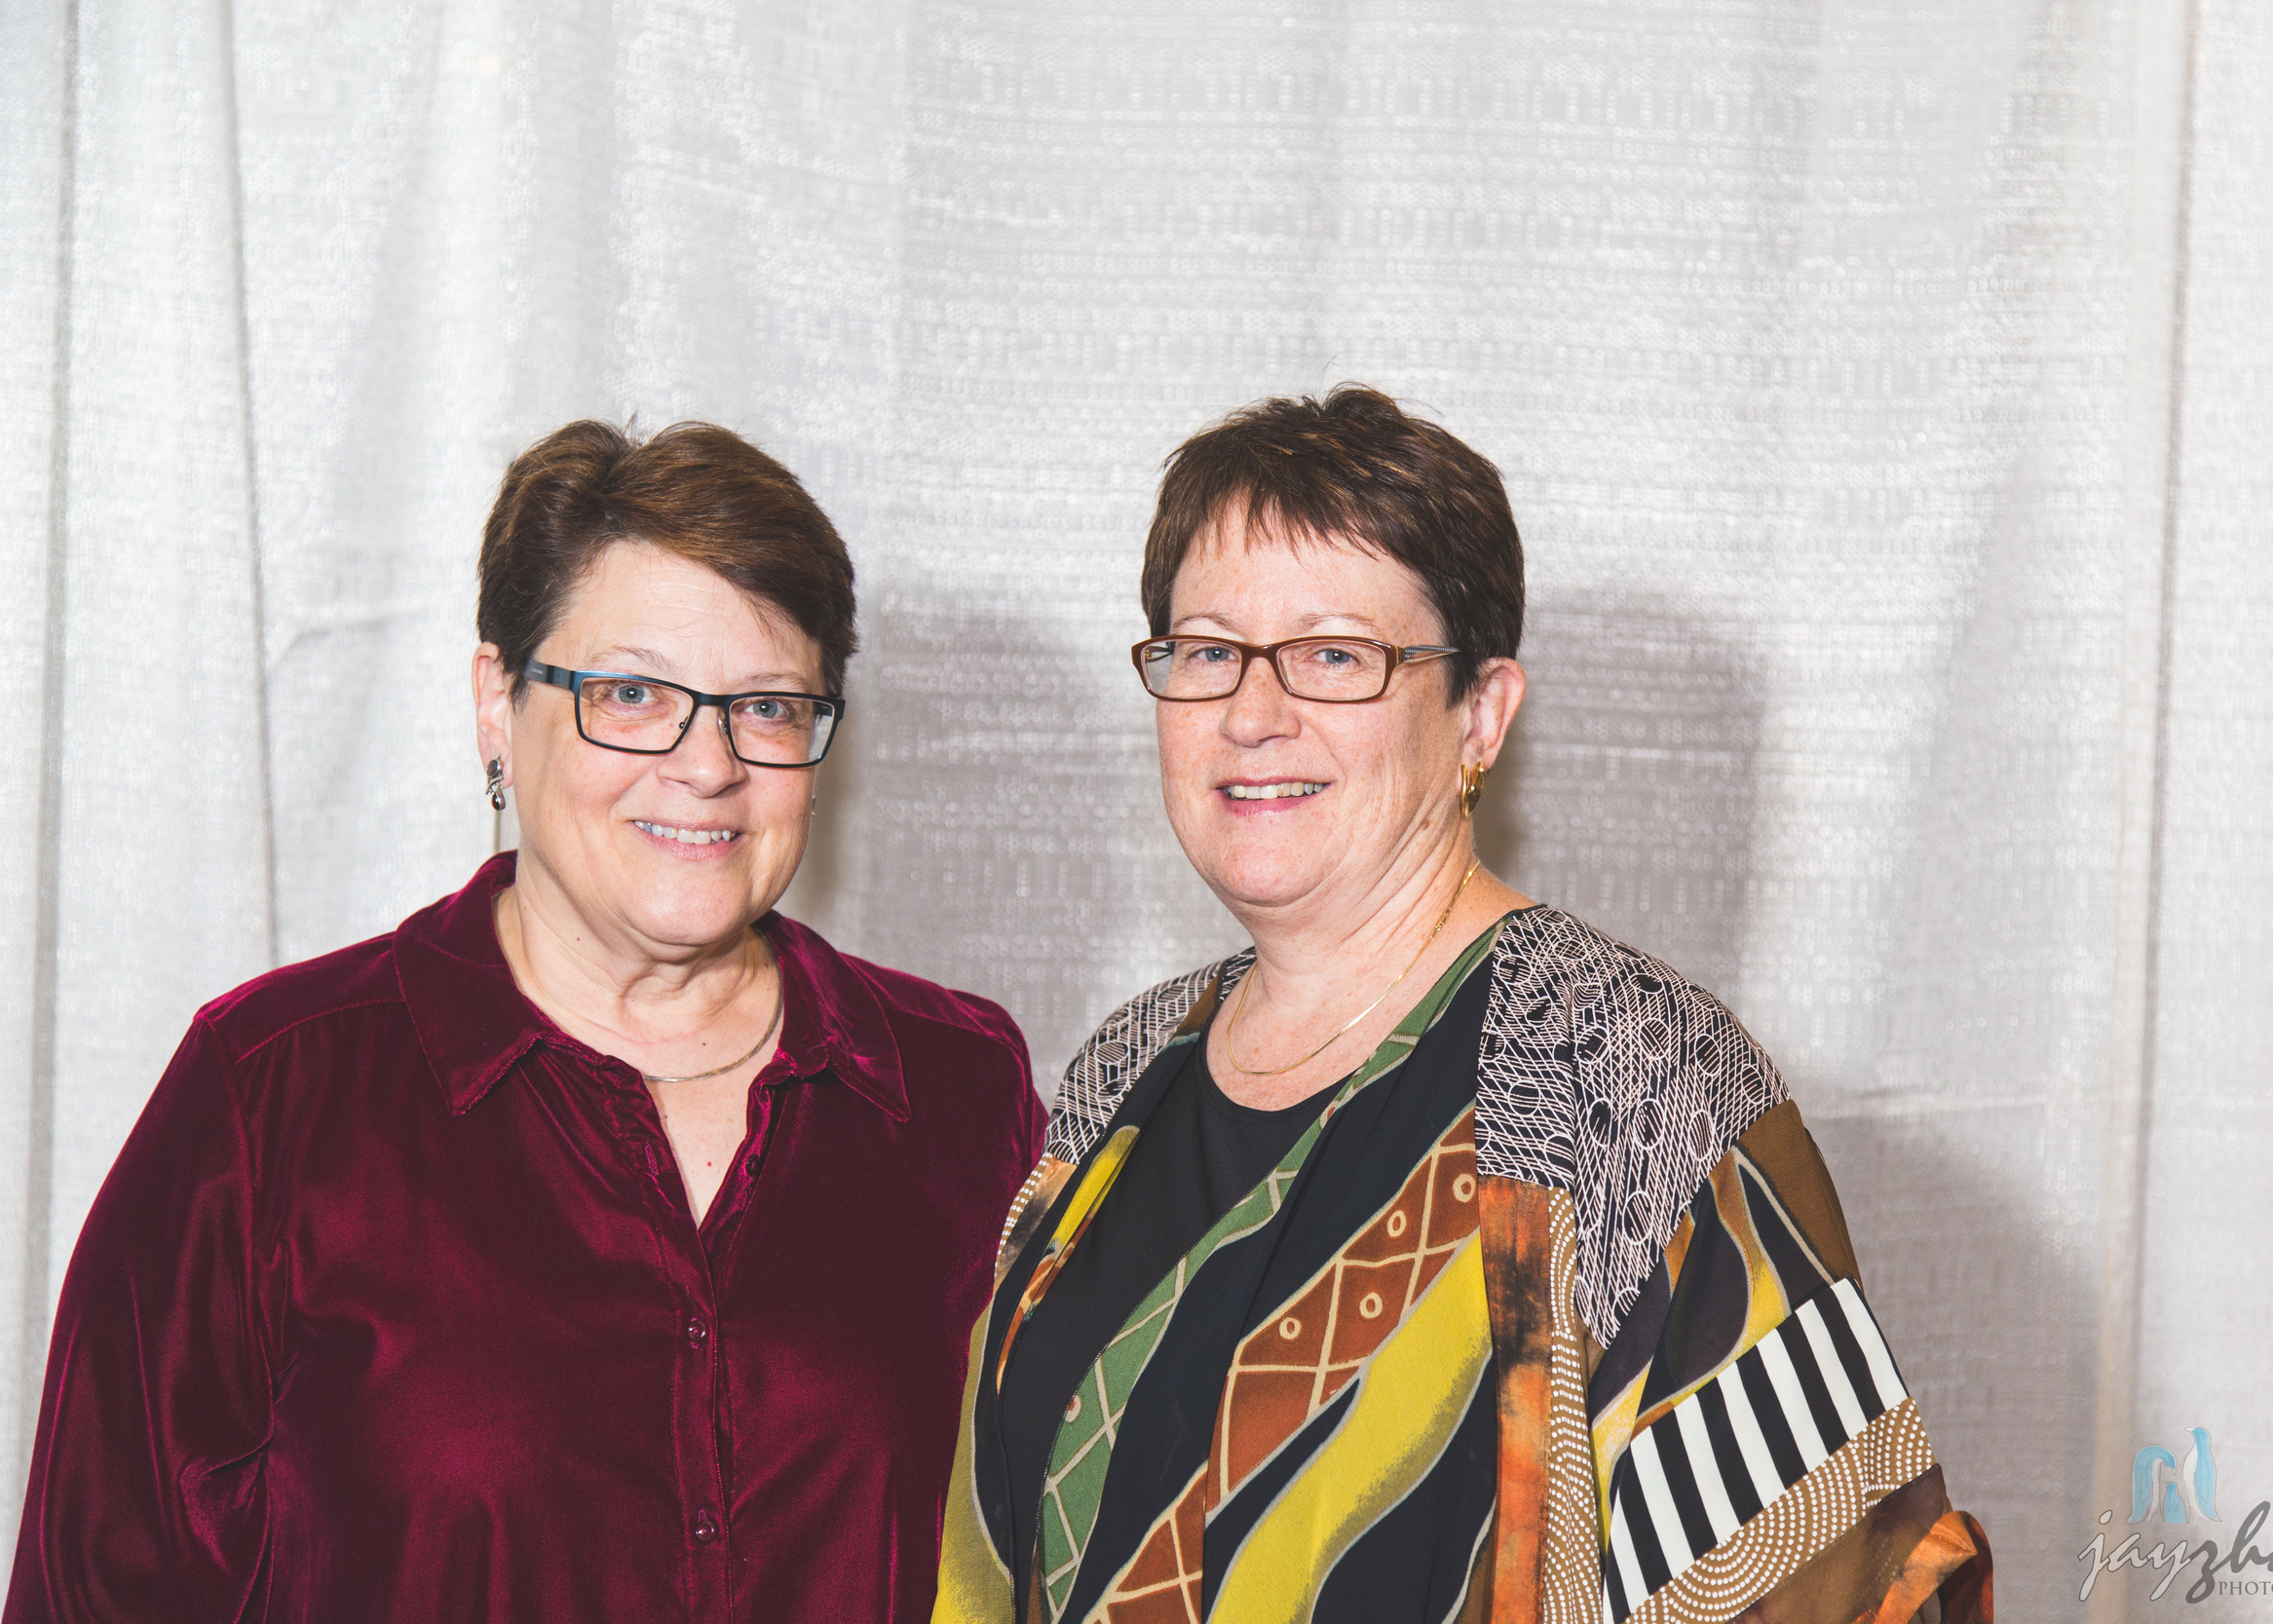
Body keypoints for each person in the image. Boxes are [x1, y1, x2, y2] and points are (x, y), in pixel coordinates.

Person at [933, 387, 1992, 1624]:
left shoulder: (1633, 1068)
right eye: (1208, 650)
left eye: (1334, 655)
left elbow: (1826, 1579)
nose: (1252, 714)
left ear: (1479, 715)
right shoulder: (1127, 1067)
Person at [6, 421, 1044, 1623]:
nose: (706, 764)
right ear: (498, 704)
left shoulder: (958, 1089)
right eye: (631, 694)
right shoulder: (270, 1093)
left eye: (764, 706)